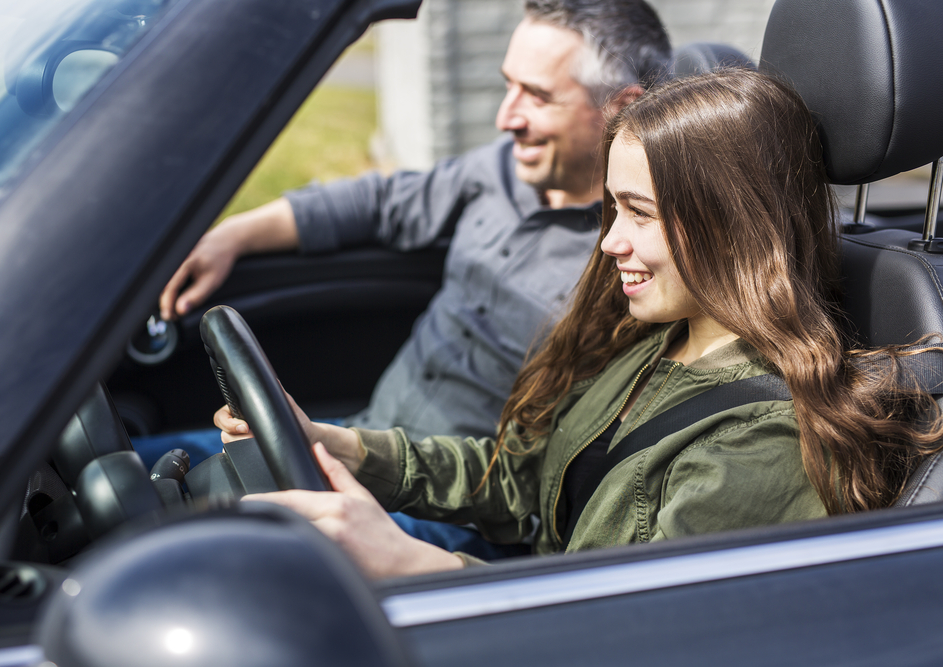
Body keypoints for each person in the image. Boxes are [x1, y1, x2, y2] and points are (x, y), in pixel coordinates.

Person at [217, 68, 943, 579]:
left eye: (640, 213)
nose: (607, 242)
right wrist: (335, 441)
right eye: (612, 209)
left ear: (731, 229)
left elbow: (612, 631)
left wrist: (417, 563)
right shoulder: (660, 344)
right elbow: (520, 483)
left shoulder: (762, 441)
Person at [151, 0, 671, 447]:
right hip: (357, 438)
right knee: (129, 471)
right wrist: (230, 236)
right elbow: (378, 202)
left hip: (446, 505)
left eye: (537, 96)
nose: (505, 117)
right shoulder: (498, 168)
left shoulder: (636, 260)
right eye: (508, 86)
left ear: (622, 109)